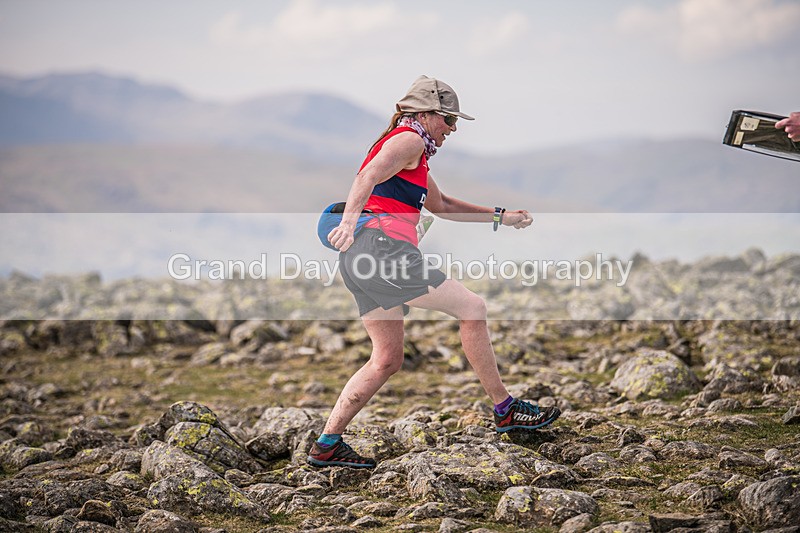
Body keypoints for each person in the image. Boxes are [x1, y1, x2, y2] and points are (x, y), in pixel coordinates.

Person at [307, 75, 560, 469]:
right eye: (449, 121)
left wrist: (500, 217)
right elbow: (365, 177)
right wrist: (348, 221)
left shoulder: (415, 156)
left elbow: (441, 206)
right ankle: (505, 410)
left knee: (386, 359)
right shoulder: (407, 140)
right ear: (426, 114)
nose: (452, 130)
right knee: (472, 308)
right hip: (382, 251)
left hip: (362, 260)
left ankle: (326, 445)